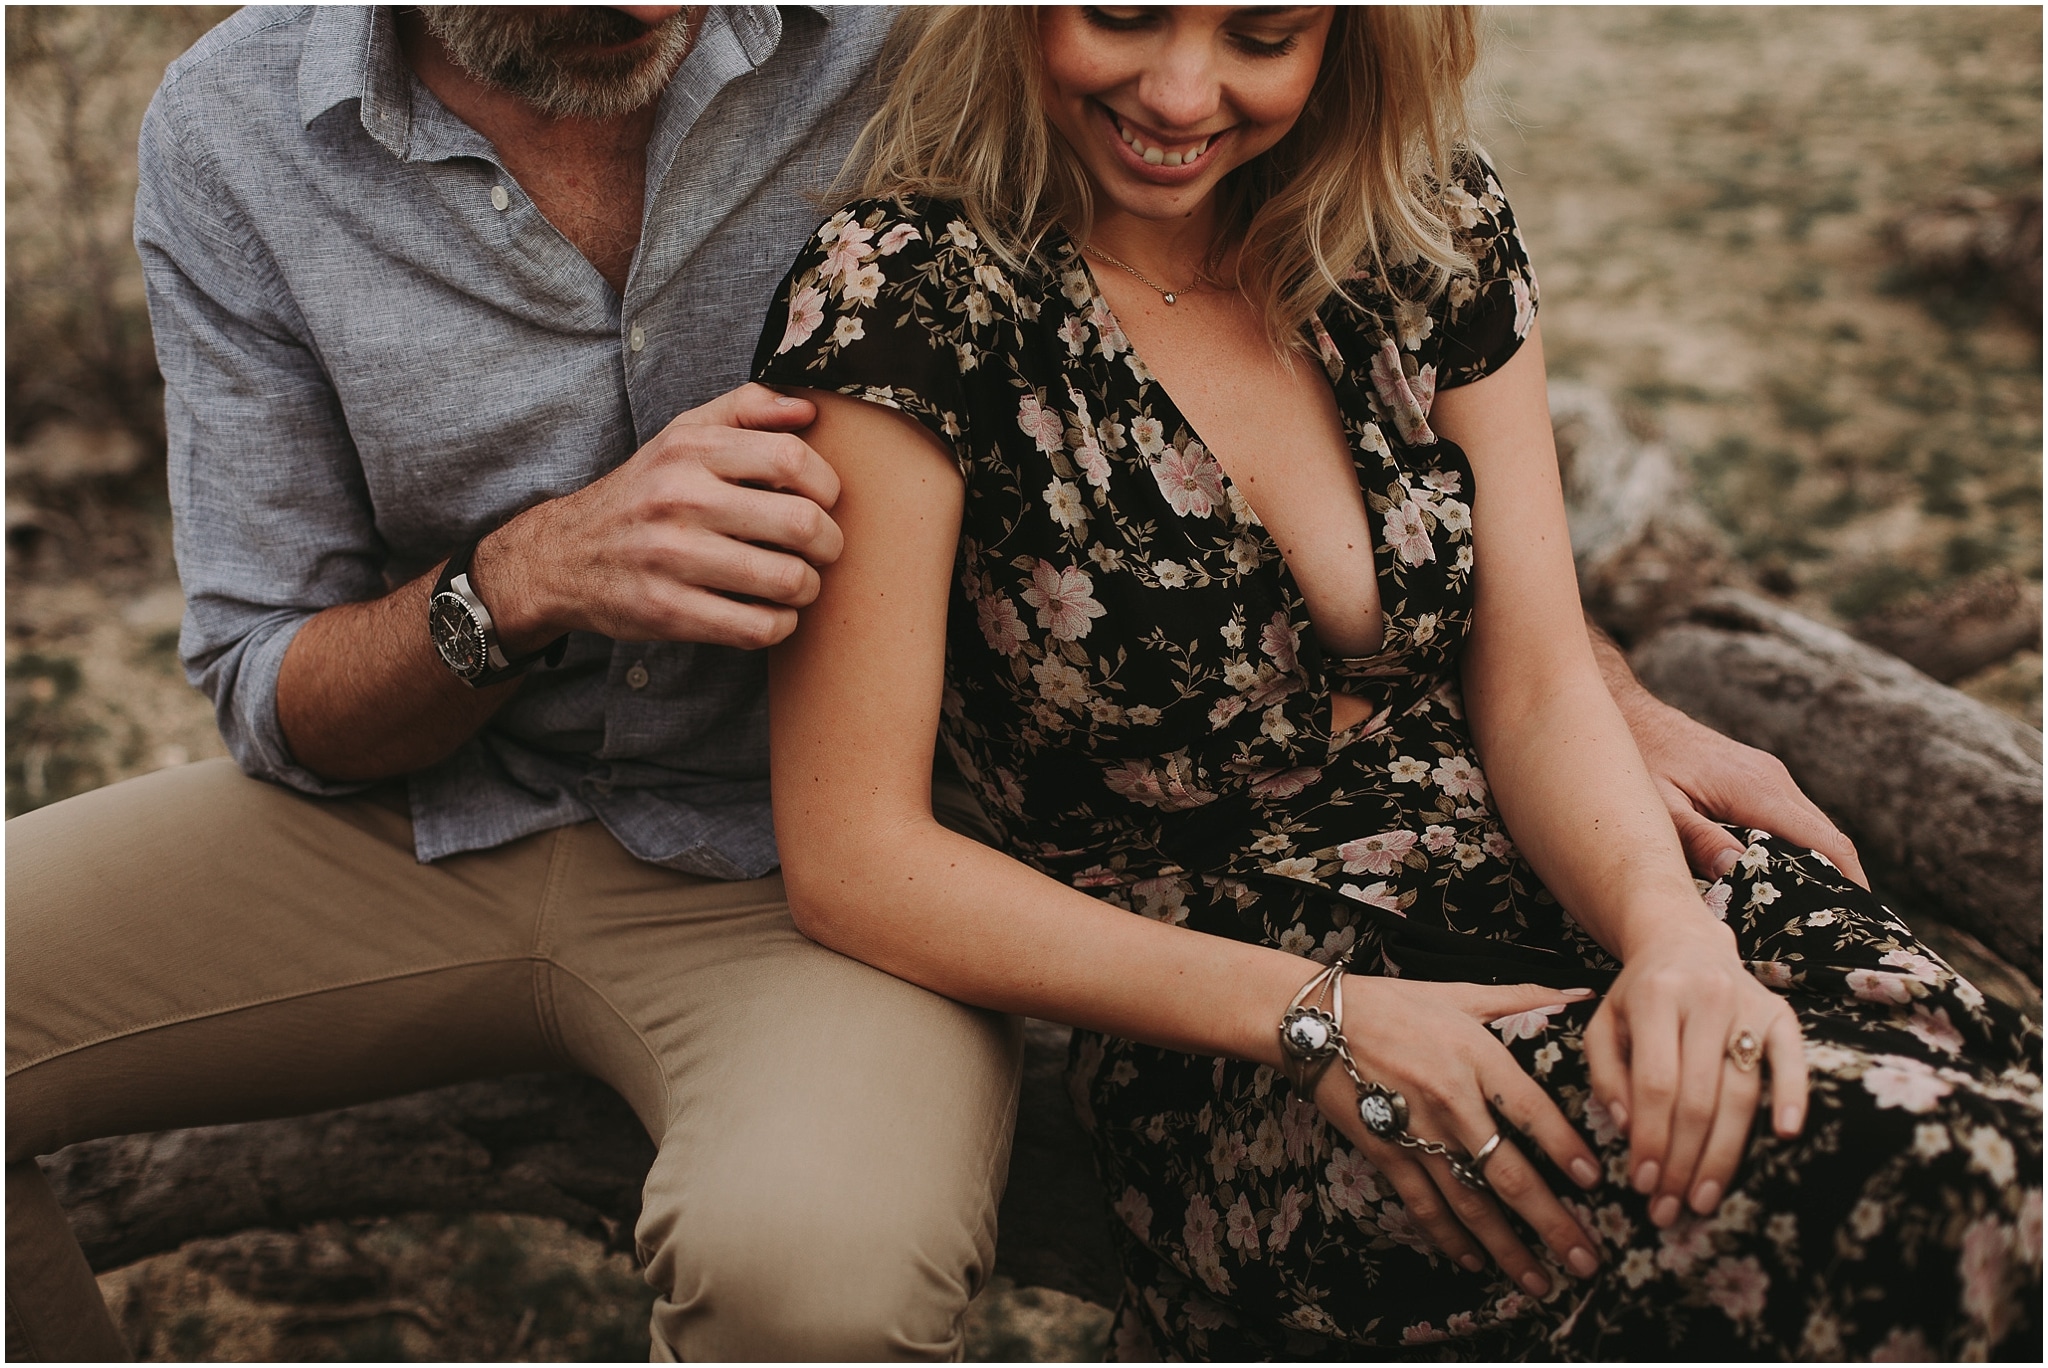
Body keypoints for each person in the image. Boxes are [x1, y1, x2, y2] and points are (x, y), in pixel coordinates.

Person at [0, 3, 1895, 1360]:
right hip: (422, 813)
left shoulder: (932, 38)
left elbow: (1275, 343)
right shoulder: (232, 132)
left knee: (810, 1285)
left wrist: (1577, 680)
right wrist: (524, 580)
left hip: (826, 873)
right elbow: (271, 681)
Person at [751, 6, 2042, 1359]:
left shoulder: (1421, 221)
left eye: (1263, 33)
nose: (1184, 92)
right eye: (1123, 11)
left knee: (1980, 1104)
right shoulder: (905, 295)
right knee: (1967, 1199)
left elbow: (1539, 684)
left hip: (1560, 864)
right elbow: (857, 855)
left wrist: (1671, 934)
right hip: (1252, 1032)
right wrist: (1320, 1021)